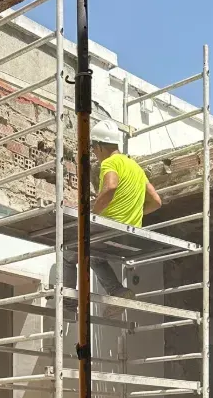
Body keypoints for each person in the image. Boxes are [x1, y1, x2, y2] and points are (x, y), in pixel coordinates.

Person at [62, 119, 163, 299]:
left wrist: (92, 216)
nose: (94, 153)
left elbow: (110, 187)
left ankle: (68, 303)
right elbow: (156, 201)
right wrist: (135, 213)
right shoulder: (136, 168)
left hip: (109, 229)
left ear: (100, 146)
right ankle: (117, 291)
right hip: (129, 234)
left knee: (68, 254)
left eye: (93, 148)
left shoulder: (109, 163)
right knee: (95, 257)